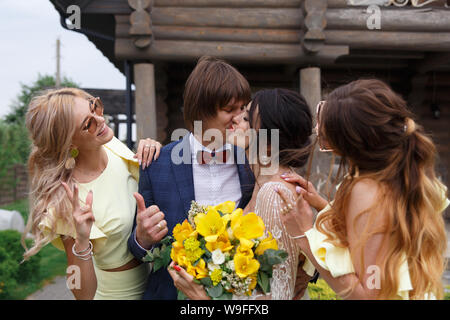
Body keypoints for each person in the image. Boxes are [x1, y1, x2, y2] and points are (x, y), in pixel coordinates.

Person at [276, 79, 449, 299]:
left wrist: (303, 234)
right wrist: (320, 203)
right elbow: (374, 234)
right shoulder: (398, 173)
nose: (317, 130)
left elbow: (368, 295)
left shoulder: (366, 190)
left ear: (349, 142)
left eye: (326, 132)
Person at [168, 88, 317, 300]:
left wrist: (204, 299)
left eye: (246, 118)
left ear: (267, 143)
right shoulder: (261, 183)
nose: (235, 120)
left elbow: (279, 296)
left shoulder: (274, 194)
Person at [127, 56, 256, 300]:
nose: (240, 119)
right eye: (229, 110)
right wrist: (142, 238)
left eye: (243, 109)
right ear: (201, 111)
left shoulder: (253, 163)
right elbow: (137, 252)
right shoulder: (156, 163)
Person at [22, 88, 162, 300]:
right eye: (88, 124)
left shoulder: (113, 146)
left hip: (152, 286)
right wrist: (81, 240)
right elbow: (81, 293)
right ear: (69, 142)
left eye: (94, 105)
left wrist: (154, 150)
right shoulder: (67, 197)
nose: (100, 119)